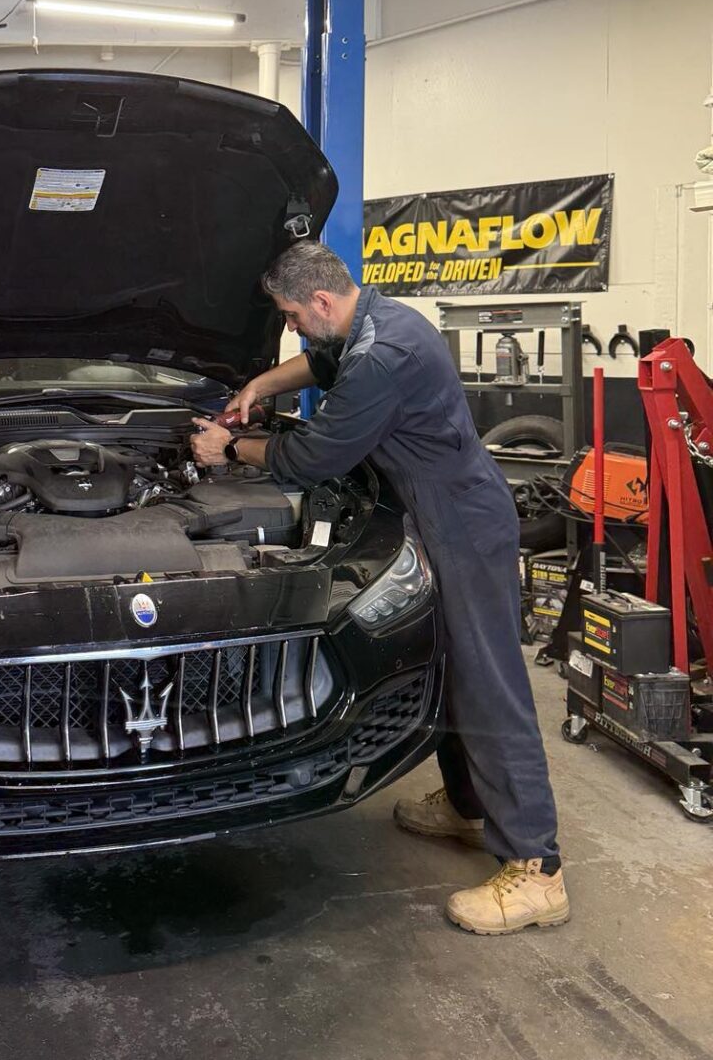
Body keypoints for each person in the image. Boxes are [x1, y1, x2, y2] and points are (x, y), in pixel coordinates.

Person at [191, 242, 568, 936]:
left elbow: (311, 457)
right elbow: (321, 362)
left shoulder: (385, 356)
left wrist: (228, 449)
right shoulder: (375, 319)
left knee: (490, 683)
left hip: (463, 526)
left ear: (321, 300)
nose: (293, 329)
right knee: (450, 668)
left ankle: (537, 868)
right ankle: (469, 806)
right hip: (433, 515)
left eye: (292, 317)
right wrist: (259, 388)